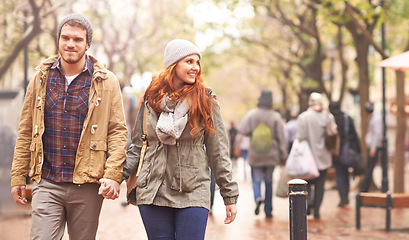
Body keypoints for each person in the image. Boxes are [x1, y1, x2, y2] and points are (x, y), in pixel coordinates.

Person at [10, 13, 127, 239]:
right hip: (47, 181)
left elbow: (117, 132)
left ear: (88, 44)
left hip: (87, 185)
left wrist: (113, 174)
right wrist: (18, 176)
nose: (70, 44)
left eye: (77, 39)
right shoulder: (40, 78)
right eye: (65, 38)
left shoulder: (106, 81)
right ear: (58, 40)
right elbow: (26, 130)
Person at [123, 39, 239, 240]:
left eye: (197, 62)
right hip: (153, 189)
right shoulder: (151, 100)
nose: (195, 67)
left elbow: (218, 152)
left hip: (192, 189)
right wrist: (116, 177)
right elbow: (138, 145)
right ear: (173, 64)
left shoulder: (205, 101)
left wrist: (229, 196)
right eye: (189, 61)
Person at [236, 89, 287, 218]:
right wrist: (283, 155)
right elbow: (282, 138)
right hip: (272, 153)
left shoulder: (252, 115)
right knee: (269, 181)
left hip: (255, 153)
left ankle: (258, 197)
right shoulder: (275, 116)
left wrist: (236, 147)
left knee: (256, 179)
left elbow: (242, 131)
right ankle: (268, 210)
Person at [296, 92, 337, 219]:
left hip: (307, 158)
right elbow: (334, 132)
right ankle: (317, 210)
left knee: (307, 183)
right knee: (320, 185)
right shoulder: (328, 117)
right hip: (323, 157)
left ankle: (308, 204)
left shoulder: (303, 117)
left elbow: (300, 137)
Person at [329, 101, 361, 207]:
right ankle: (345, 197)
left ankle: (343, 198)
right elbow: (355, 135)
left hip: (336, 153)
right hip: (347, 153)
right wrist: (357, 150)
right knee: (346, 174)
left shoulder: (331, 119)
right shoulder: (347, 118)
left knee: (340, 175)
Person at [359, 102, 383, 192]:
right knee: (369, 168)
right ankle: (364, 188)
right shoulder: (372, 118)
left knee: (369, 168)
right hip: (373, 146)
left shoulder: (376, 119)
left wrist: (373, 148)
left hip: (375, 147)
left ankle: (364, 189)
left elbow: (376, 135)